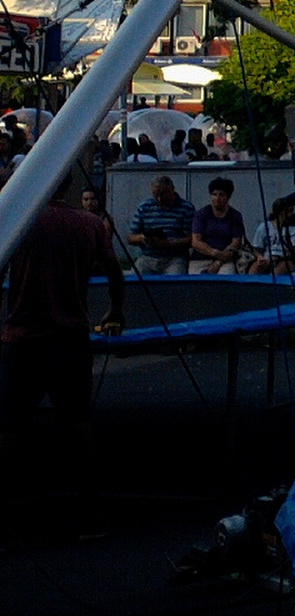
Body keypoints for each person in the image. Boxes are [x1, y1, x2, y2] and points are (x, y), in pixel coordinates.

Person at [0, 180, 124, 540]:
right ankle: (90, 518)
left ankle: (6, 525)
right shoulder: (87, 223)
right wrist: (116, 311)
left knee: (9, 429)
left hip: (22, 340)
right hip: (70, 338)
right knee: (77, 424)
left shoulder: (14, 217)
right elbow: (114, 270)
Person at [127, 175, 195, 275]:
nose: (159, 199)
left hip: (174, 258)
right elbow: (130, 238)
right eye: (155, 195)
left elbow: (191, 239)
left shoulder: (186, 208)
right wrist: (142, 238)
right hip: (148, 257)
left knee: (175, 281)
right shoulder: (144, 207)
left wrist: (169, 244)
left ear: (172, 189)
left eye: (163, 194)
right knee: (134, 281)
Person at [189, 177, 247, 274]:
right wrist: (214, 252)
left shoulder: (235, 215)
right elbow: (196, 241)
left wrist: (219, 261)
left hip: (225, 260)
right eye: (214, 195)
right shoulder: (202, 214)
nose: (217, 199)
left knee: (227, 276)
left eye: (221, 195)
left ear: (228, 197)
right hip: (200, 259)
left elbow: (236, 243)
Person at [250, 194, 295, 276]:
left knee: (278, 272)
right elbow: (258, 248)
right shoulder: (264, 227)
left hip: (286, 260)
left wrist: (278, 258)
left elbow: (294, 252)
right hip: (267, 258)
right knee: (254, 270)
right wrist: (260, 257)